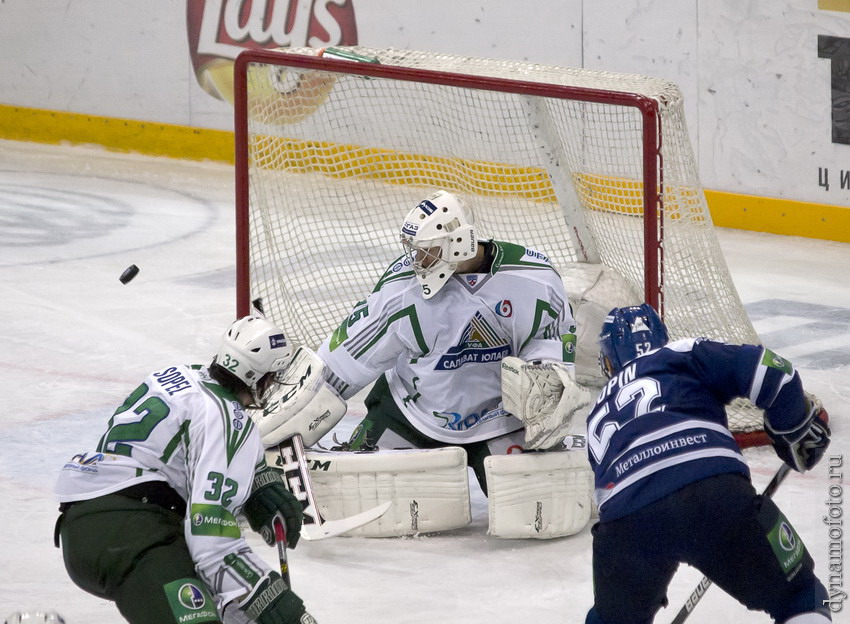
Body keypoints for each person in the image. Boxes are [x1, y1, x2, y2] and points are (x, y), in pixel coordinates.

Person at [314, 189, 586, 493]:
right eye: (415, 249)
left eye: (427, 250)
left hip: (500, 421)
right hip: (413, 415)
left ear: (460, 242)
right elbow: (349, 356)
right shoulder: (402, 288)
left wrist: (545, 375)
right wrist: (305, 402)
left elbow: (552, 333)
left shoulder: (534, 278)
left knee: (536, 511)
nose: (417, 259)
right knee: (352, 494)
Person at [54, 316, 317, 624]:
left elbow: (185, 448)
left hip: (89, 526)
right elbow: (211, 543)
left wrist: (257, 484)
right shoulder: (229, 419)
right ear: (261, 378)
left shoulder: (180, 375)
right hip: (132, 536)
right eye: (273, 376)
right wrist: (268, 596)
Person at [585, 304, 832, 624]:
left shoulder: (596, 415)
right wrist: (793, 427)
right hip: (711, 492)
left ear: (608, 359)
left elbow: (626, 500)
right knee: (801, 596)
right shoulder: (679, 352)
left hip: (625, 522)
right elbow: (774, 371)